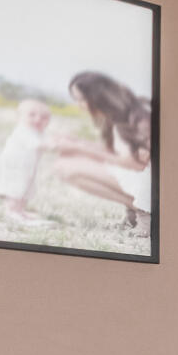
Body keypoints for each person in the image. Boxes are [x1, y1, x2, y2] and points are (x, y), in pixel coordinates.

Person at [55, 71, 153, 233]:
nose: (80, 105)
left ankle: (145, 212)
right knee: (66, 164)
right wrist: (78, 143)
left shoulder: (138, 117)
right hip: (148, 182)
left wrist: (80, 148)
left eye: (82, 99)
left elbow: (133, 163)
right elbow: (116, 154)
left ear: (98, 97)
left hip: (153, 186)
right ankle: (136, 212)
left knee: (65, 168)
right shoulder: (124, 114)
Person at [0, 98, 52, 226]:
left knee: (26, 189)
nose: (38, 119)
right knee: (15, 189)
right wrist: (52, 145)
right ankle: (11, 211)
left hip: (26, 167)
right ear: (20, 117)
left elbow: (46, 140)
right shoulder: (22, 131)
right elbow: (37, 144)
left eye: (44, 117)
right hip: (14, 167)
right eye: (32, 115)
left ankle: (20, 210)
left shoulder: (38, 132)